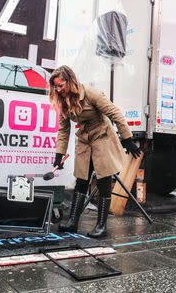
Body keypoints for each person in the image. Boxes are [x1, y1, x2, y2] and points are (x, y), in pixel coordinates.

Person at [49, 65, 142, 238]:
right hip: (85, 139)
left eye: (61, 85)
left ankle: (101, 226)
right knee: (81, 180)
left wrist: (127, 139)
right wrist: (58, 155)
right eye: (56, 86)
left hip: (102, 136)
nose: (58, 89)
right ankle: (72, 222)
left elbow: (115, 114)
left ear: (70, 81)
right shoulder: (62, 101)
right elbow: (63, 130)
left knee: (103, 181)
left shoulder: (91, 94)